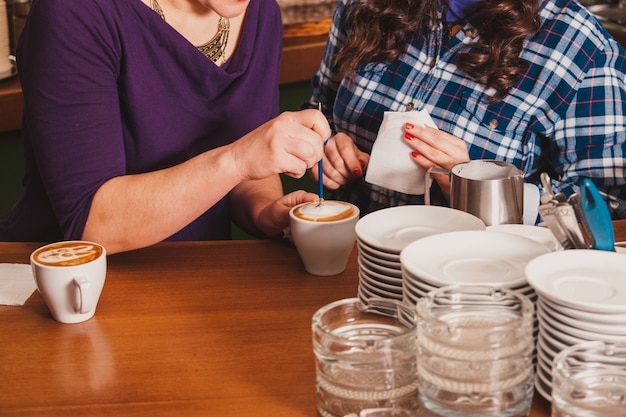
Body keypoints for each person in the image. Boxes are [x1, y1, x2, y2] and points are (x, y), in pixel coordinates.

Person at [0, 0, 331, 254]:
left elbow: (248, 169)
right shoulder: (75, 12)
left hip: (192, 285)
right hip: (66, 291)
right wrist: (237, 160)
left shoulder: (261, 13)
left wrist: (264, 211)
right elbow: (92, 224)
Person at [306, 0, 626, 222]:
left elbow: (608, 206)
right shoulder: (362, 6)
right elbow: (320, 111)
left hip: (476, 279)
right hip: (347, 256)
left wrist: (480, 188)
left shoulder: (581, 47)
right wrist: (327, 149)